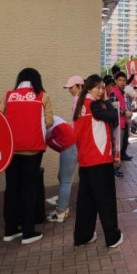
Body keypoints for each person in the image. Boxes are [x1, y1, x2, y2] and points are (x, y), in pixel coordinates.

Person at [2, 68, 54, 245]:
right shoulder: (42, 96)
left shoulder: (9, 95)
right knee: (29, 190)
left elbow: (1, 118)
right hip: (33, 149)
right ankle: (28, 232)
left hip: (11, 149)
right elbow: (49, 121)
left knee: (11, 189)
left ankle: (10, 230)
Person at [72, 75, 124, 248]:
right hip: (99, 159)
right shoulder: (93, 105)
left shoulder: (79, 105)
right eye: (98, 88)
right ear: (88, 88)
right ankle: (112, 237)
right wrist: (107, 100)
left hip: (86, 160)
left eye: (103, 88)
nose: (101, 91)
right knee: (105, 200)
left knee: (86, 201)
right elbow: (113, 117)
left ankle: (82, 236)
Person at [45, 75, 83, 210]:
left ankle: (62, 210)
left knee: (66, 179)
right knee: (63, 177)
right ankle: (62, 199)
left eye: (71, 87)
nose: (70, 90)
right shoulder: (78, 100)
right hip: (73, 142)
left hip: (73, 143)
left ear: (80, 86)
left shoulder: (81, 101)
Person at [45, 116, 77, 223]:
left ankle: (61, 212)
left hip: (70, 146)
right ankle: (63, 206)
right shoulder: (46, 117)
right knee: (62, 177)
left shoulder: (41, 120)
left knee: (65, 181)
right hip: (70, 145)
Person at [111, 72, 133, 161]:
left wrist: (127, 116)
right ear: (115, 81)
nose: (122, 82)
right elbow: (113, 109)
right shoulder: (113, 93)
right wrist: (125, 113)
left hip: (123, 122)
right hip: (117, 124)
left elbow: (122, 106)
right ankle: (114, 169)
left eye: (124, 80)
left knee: (120, 145)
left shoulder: (122, 93)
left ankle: (117, 165)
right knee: (116, 147)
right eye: (119, 80)